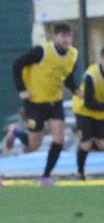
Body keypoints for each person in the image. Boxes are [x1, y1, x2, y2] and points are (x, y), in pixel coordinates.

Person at [11, 22, 78, 186]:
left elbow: (67, 75)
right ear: (54, 37)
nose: (66, 39)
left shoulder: (73, 54)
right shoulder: (41, 51)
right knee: (34, 144)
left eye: (68, 35)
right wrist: (21, 89)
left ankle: (45, 176)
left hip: (55, 101)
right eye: (62, 35)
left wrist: (75, 89)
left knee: (59, 138)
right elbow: (17, 64)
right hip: (35, 102)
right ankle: (15, 132)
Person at [71, 45, 104, 180]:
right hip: (83, 110)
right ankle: (80, 172)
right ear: (101, 59)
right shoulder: (91, 75)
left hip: (100, 112)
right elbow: (88, 103)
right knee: (86, 143)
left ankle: (84, 143)